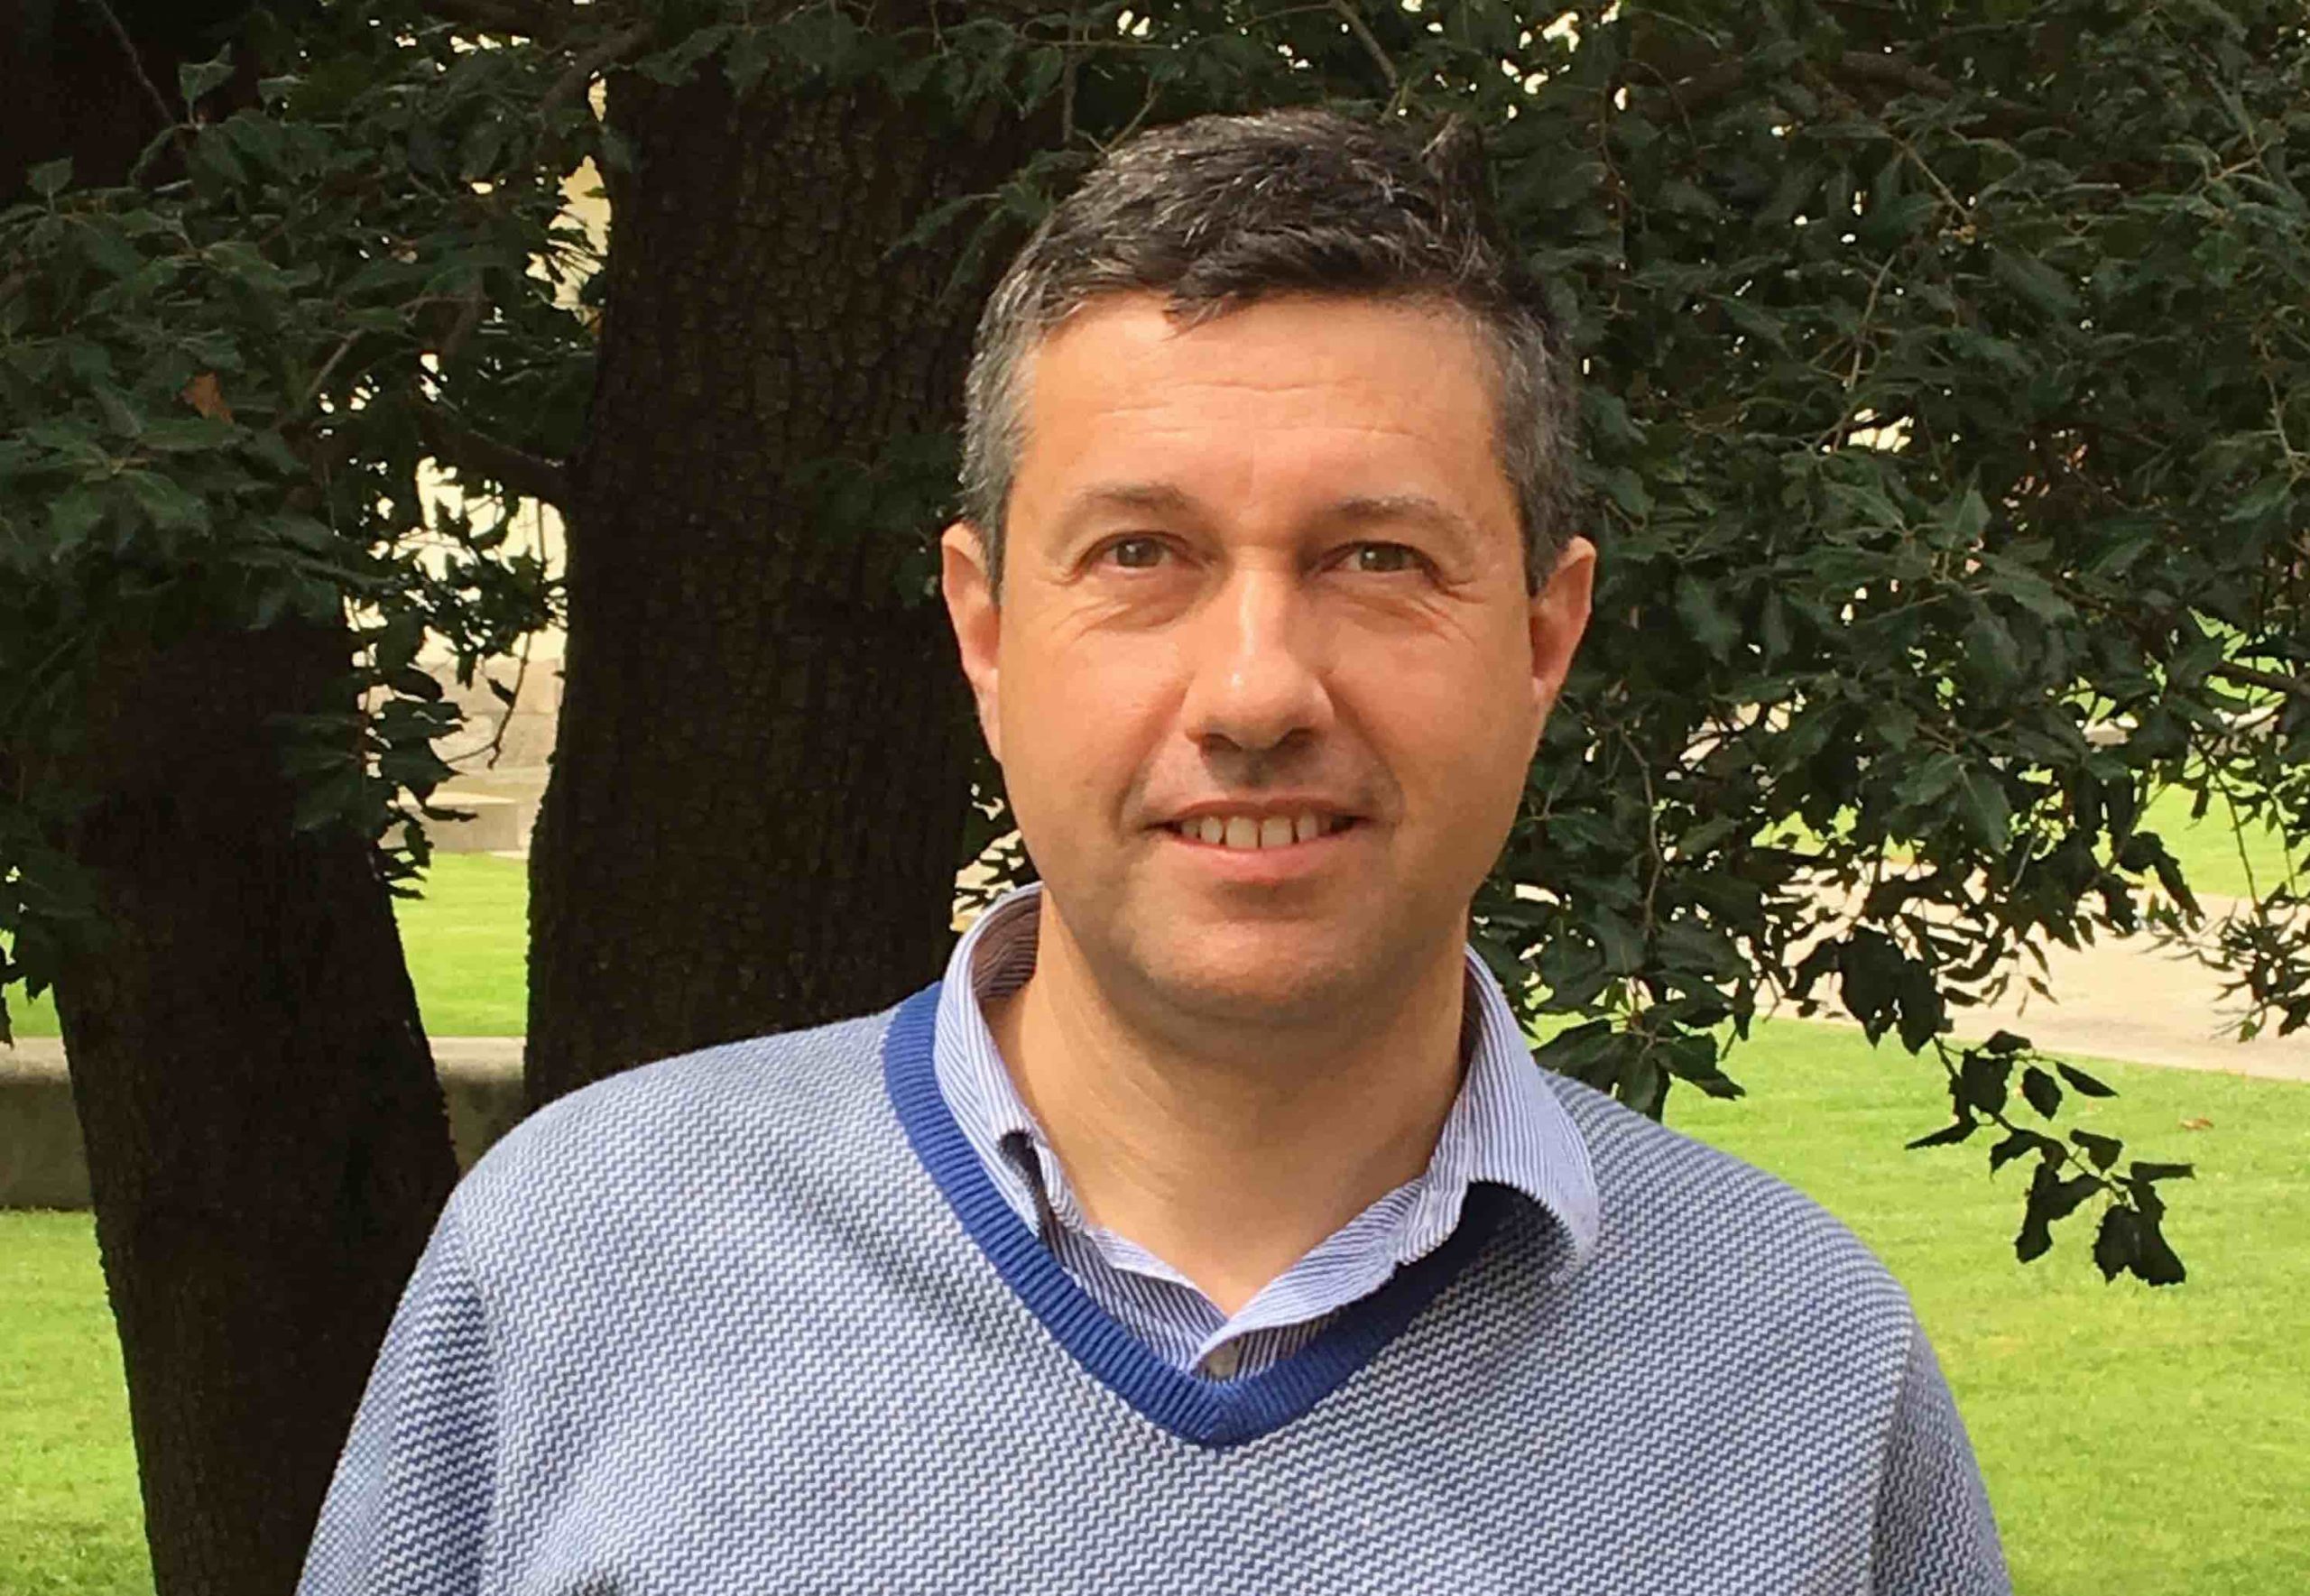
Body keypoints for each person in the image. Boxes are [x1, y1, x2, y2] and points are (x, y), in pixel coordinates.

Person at [300, 108, 2009, 1593]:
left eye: (1378, 559)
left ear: (1545, 635)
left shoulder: (1802, 1367)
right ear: (985, 630)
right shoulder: (583, 1254)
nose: (1257, 690)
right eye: (1140, 553)